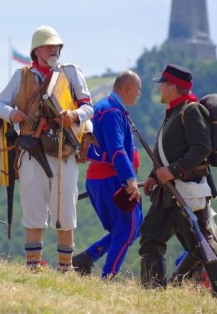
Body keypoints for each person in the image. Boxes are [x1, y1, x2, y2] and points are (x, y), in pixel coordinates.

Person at [0, 25, 93, 272]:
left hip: (64, 148)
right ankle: (32, 267)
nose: (54, 49)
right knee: (33, 208)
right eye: (49, 45)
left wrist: (74, 115)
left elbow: (89, 106)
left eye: (56, 45)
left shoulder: (70, 73)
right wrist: (11, 113)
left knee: (66, 210)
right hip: (31, 150)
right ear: (36, 50)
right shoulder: (22, 76)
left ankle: (65, 268)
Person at [138, 64, 217, 296]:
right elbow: (169, 150)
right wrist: (153, 175)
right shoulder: (175, 111)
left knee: (202, 245)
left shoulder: (190, 110)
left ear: (173, 86)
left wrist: (172, 171)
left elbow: (202, 148)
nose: (159, 87)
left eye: (163, 83)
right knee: (151, 236)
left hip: (186, 191)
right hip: (169, 192)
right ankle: (154, 293)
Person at [72, 71, 143, 279]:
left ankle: (86, 259)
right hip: (110, 179)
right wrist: (130, 180)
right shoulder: (112, 110)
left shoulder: (108, 107)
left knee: (132, 227)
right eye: (138, 89)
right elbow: (117, 150)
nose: (139, 94)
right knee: (127, 230)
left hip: (101, 179)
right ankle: (107, 278)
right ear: (128, 87)